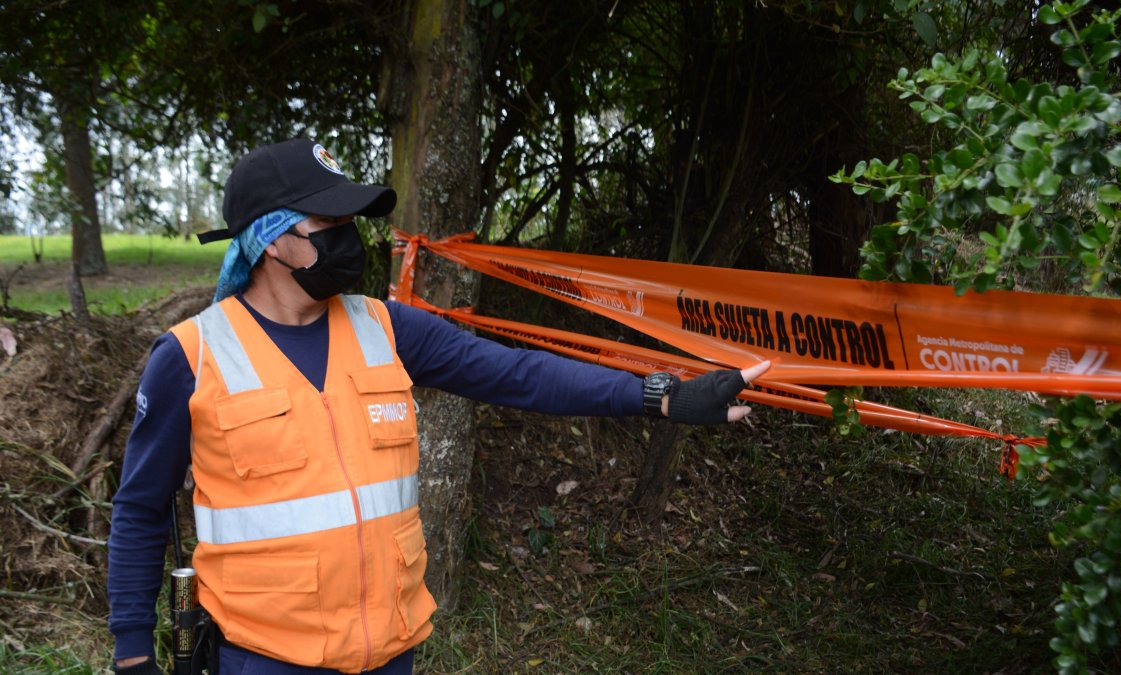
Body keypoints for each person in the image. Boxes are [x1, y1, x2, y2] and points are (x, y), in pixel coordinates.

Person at [107, 138, 771, 675]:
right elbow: (139, 509)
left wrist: (658, 394)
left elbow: (518, 374)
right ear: (273, 239)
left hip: (392, 652)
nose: (349, 236)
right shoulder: (191, 356)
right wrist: (133, 652)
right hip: (267, 660)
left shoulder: (385, 327)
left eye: (350, 220)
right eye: (329, 222)